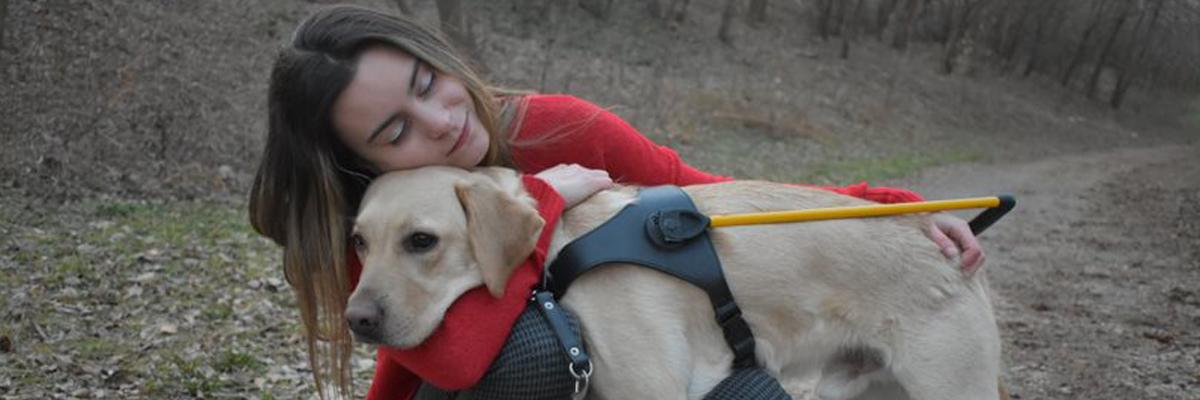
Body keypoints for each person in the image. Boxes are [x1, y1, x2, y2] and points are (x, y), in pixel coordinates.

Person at [249, 5, 986, 400]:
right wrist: (542, 196)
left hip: (868, 296)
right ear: (360, 163)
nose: (441, 121)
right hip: (558, 370)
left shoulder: (556, 127)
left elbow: (701, 188)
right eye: (397, 130)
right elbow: (451, 360)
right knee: (532, 355)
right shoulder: (381, 221)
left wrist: (890, 209)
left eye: (424, 85)